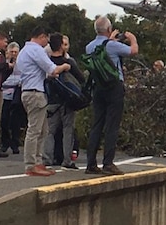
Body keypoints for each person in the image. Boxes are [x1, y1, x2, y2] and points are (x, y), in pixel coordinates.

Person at [84, 15, 138, 176]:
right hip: (114, 86)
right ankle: (108, 163)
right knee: (112, 125)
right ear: (108, 29)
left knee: (97, 124)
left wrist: (112, 40)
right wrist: (132, 39)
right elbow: (133, 51)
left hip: (98, 87)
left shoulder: (89, 46)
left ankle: (91, 163)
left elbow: (103, 48)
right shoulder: (113, 46)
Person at [15, 26, 70, 176]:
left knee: (43, 129)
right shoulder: (36, 50)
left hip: (27, 90)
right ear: (41, 36)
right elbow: (52, 69)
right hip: (35, 92)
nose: (47, 43)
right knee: (34, 129)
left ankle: (38, 162)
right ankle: (31, 164)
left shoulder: (24, 51)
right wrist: (65, 66)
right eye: (46, 39)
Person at [43, 33, 85, 169]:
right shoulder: (69, 62)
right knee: (68, 130)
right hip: (68, 101)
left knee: (49, 131)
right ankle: (67, 160)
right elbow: (81, 78)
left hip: (51, 100)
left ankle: (47, 158)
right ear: (61, 45)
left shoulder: (46, 62)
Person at [0, 42, 24, 155]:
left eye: (16, 52)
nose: (13, 54)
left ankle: (15, 142)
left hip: (16, 93)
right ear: (7, 53)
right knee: (3, 119)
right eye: (11, 52)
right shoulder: (2, 64)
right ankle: (4, 142)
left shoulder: (22, 64)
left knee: (16, 120)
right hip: (4, 93)